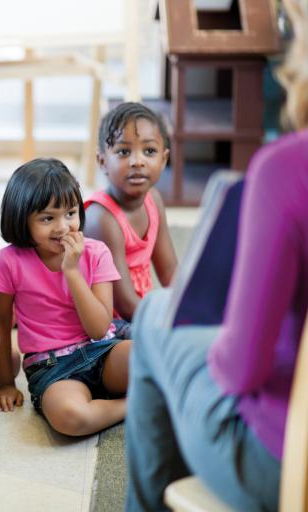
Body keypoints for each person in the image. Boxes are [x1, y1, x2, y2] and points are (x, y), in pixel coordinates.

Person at [125, 1, 308, 509]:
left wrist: (225, 336)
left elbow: (241, 368)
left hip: (285, 466)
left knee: (158, 314)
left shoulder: (288, 169)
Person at [0, 159, 130, 437]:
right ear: (22, 218)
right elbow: (0, 324)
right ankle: (132, 405)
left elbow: (99, 329)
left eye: (71, 213)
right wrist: (5, 383)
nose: (63, 227)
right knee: (70, 418)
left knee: (153, 358)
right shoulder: (9, 261)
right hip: (51, 367)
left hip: (102, 350)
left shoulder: (96, 252)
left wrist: (72, 272)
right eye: (47, 218)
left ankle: (116, 398)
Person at [83, 102, 177, 323]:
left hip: (138, 312)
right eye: (124, 152)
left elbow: (170, 271)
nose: (137, 161)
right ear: (102, 161)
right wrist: (168, 322)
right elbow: (124, 303)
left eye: (149, 151)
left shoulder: (153, 200)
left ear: (163, 159)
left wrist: (190, 307)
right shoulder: (101, 218)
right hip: (107, 323)